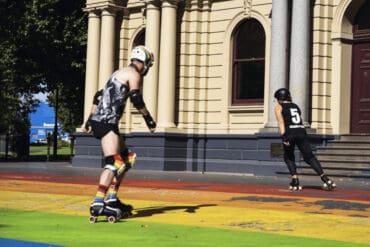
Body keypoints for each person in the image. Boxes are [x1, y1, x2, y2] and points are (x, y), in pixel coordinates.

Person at [84, 46, 156, 220]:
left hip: (104, 121)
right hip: (106, 122)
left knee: (128, 157)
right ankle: (98, 202)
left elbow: (98, 95)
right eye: (147, 64)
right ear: (144, 62)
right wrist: (149, 119)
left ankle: (112, 199)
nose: (146, 69)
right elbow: (136, 99)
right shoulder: (133, 74)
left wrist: (88, 120)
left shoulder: (118, 73)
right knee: (114, 162)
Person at [274, 88, 336, 191]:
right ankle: (325, 179)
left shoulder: (279, 107)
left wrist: (284, 136)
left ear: (279, 98)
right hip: (301, 132)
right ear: (288, 96)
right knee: (309, 157)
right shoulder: (295, 106)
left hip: (290, 133)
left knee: (289, 157)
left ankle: (295, 181)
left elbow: (281, 123)